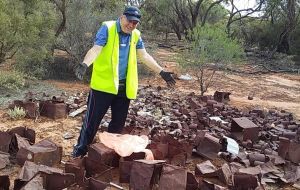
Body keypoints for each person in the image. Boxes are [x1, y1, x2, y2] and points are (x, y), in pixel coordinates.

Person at [72, 6, 176, 158]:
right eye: (129, 21)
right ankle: (79, 153)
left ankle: (109, 155)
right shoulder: (107, 28)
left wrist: (161, 72)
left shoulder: (135, 35)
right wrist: (85, 64)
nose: (132, 25)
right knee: (91, 123)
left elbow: (144, 56)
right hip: (103, 87)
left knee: (117, 125)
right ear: (122, 17)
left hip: (124, 88)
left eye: (135, 23)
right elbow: (96, 49)